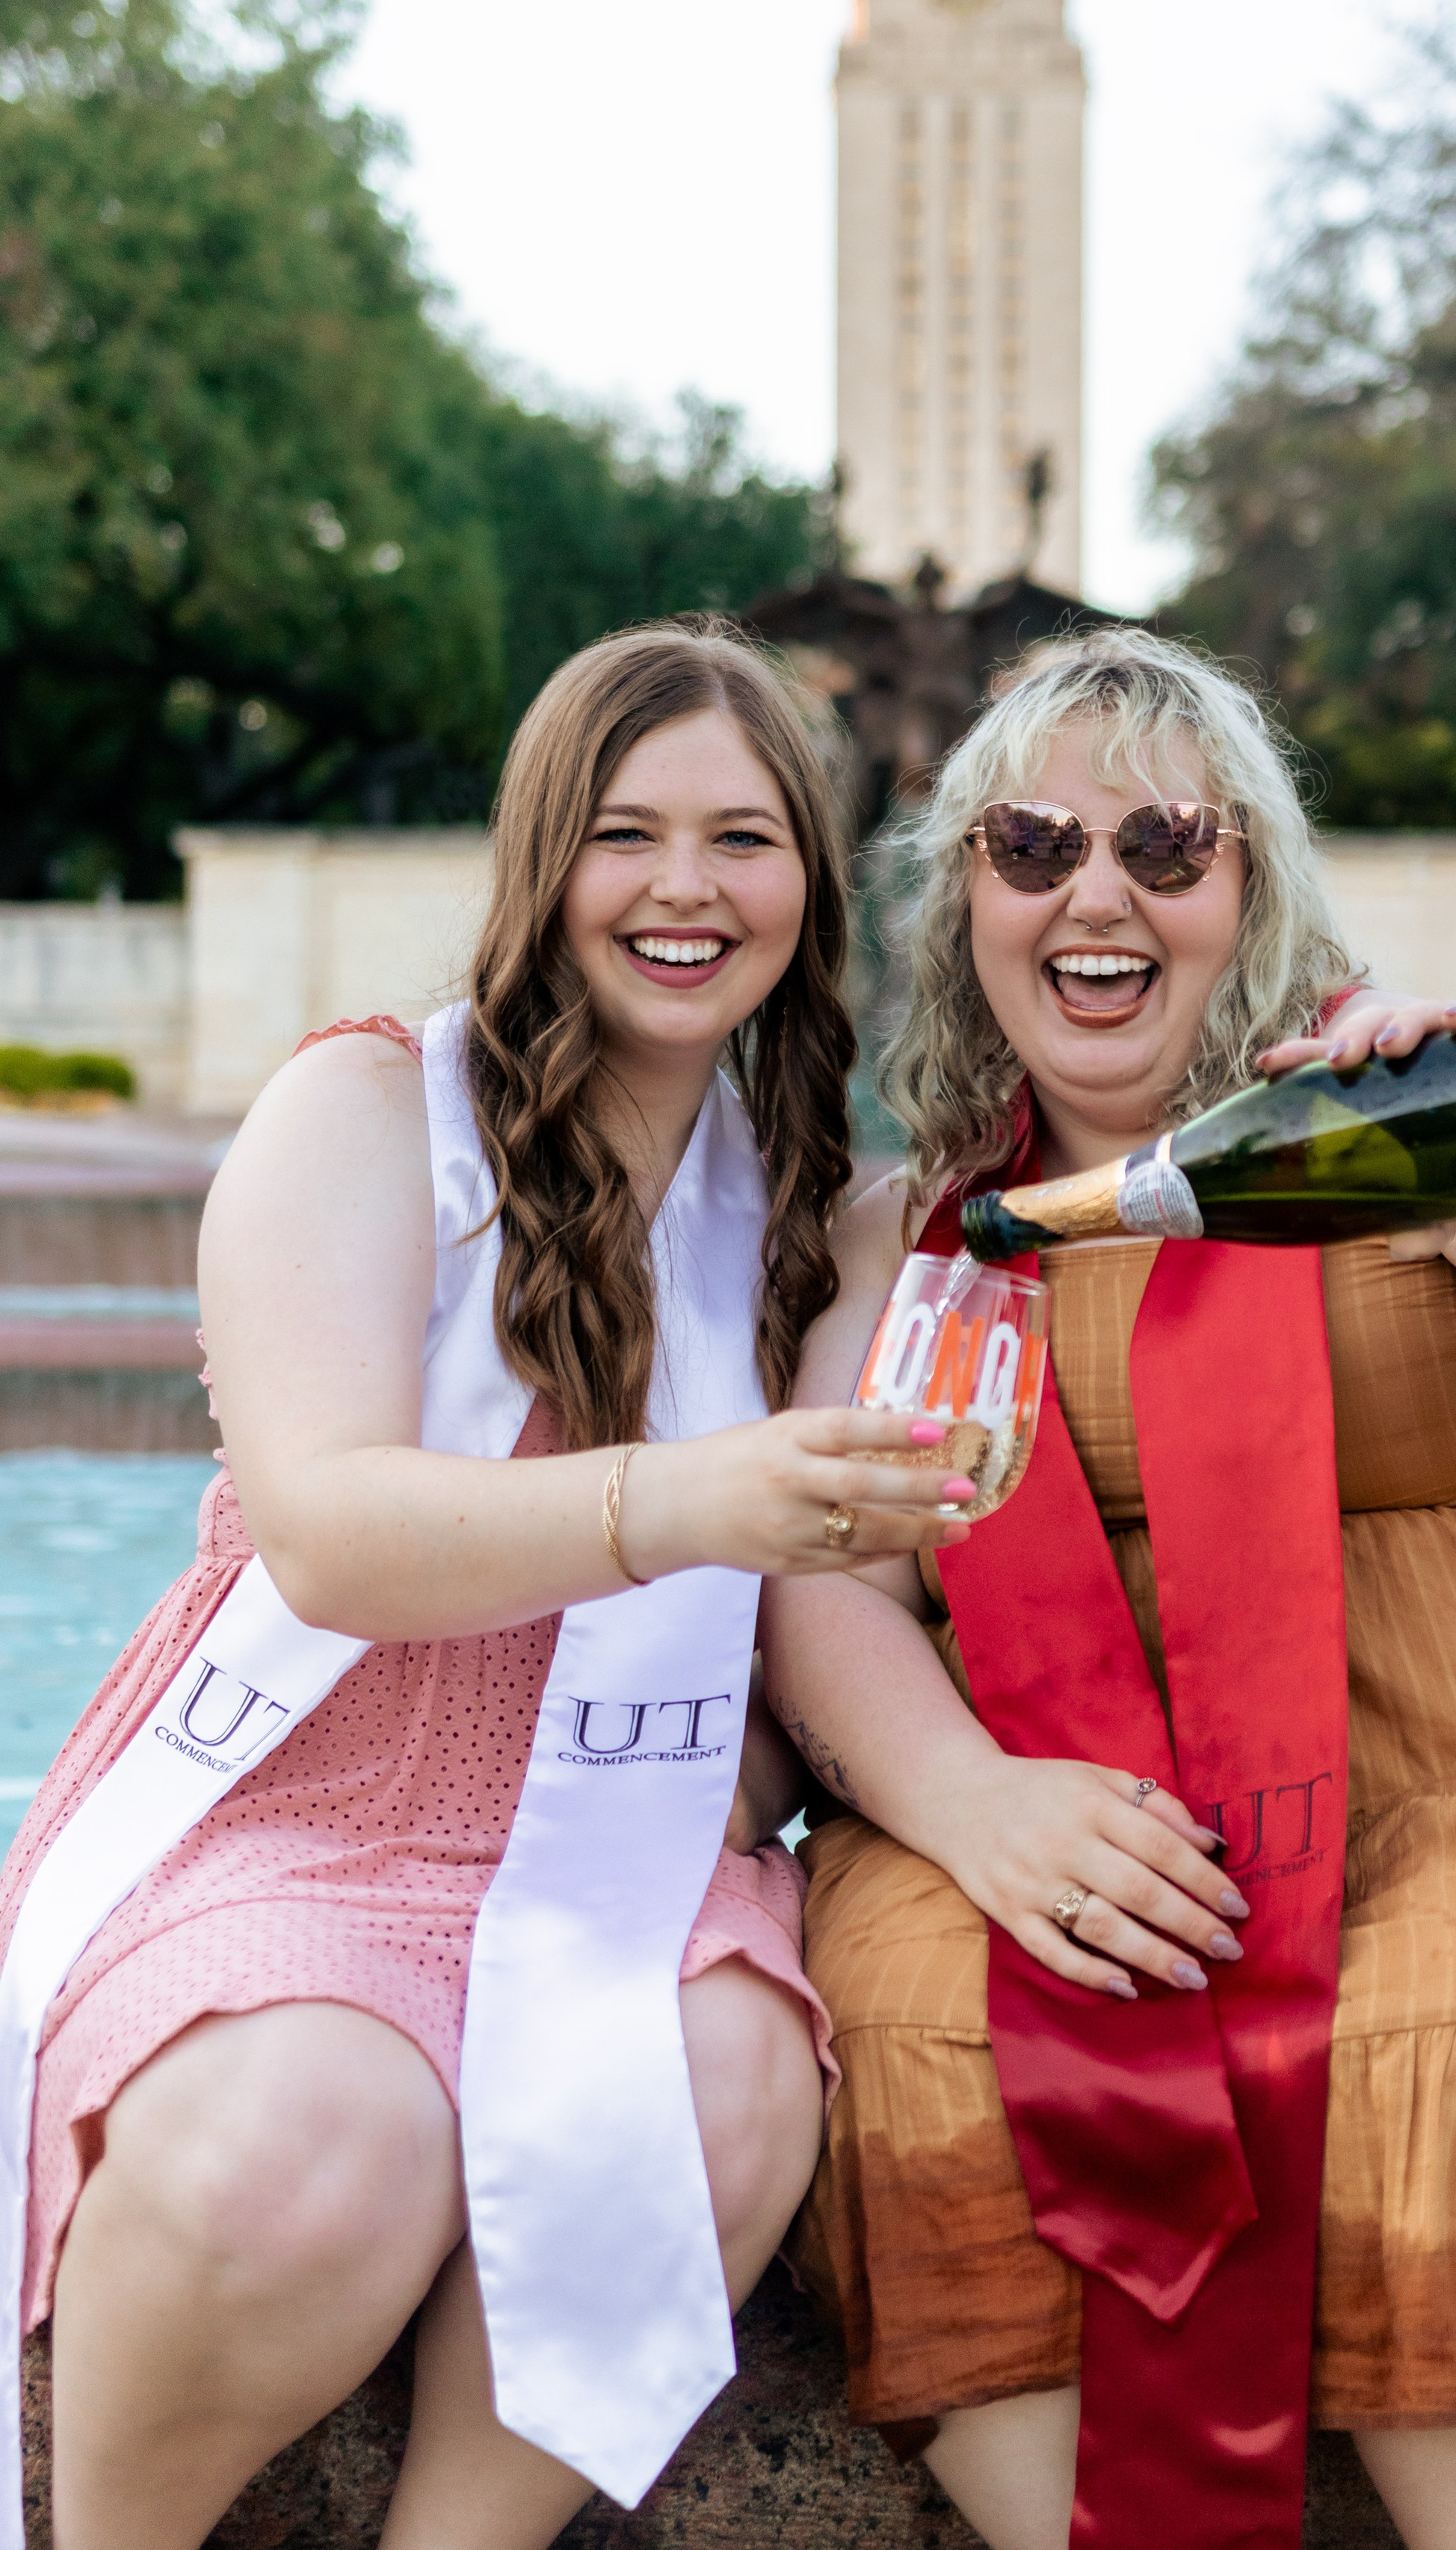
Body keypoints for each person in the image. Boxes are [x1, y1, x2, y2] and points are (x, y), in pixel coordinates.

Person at [760, 629, 1456, 2550]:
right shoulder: (910, 1227)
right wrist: (966, 1805)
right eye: (1031, 848)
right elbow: (827, 1577)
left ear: (1246, 888)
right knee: (937, 2021)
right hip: (1063, 1799)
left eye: (1165, 848)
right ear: (967, 904)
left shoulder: (1388, 1128)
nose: (1094, 892)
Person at [0, 624, 975, 2550]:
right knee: (305, 2152)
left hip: (636, 1843)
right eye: (626, 833)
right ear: (543, 858)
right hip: (308, 1806)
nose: (686, 889)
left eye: (745, 838)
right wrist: (698, 1496)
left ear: (812, 878)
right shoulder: (365, 1114)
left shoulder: (811, 1206)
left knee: (731, 2085)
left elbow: (835, 1613)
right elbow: (333, 1533)